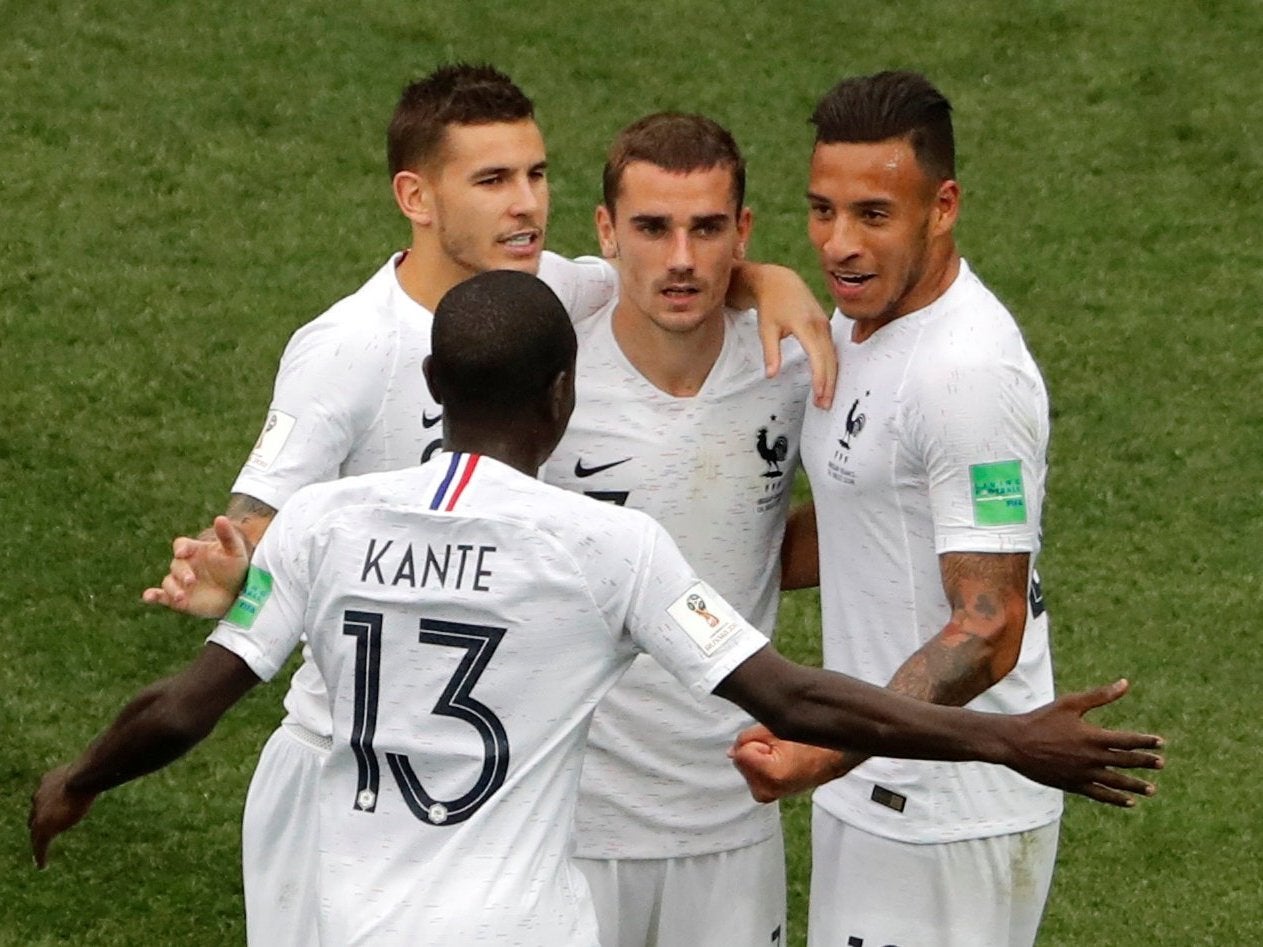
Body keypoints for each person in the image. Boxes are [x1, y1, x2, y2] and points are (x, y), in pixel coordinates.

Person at [32, 269, 1163, 947]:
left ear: (432, 391)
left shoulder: (324, 525)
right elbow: (799, 693)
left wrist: (76, 778)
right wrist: (1007, 736)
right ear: (564, 395)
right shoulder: (606, 548)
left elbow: (186, 704)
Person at [136, 66, 833, 946]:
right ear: (416, 197)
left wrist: (768, 278)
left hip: (487, 760)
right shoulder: (347, 349)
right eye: (494, 181)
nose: (526, 206)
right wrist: (233, 566)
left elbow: (672, 267)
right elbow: (254, 518)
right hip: (346, 761)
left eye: (537, 175)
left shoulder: (553, 290)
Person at [731, 71, 1090, 946]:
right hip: (880, 781)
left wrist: (826, 744)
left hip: (943, 807)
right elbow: (865, 522)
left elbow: (989, 624)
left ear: (942, 207)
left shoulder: (967, 375)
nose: (838, 245)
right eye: (821, 211)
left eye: (872, 216)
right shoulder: (861, 323)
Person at [540, 113, 812, 947]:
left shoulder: (795, 365)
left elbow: (855, 517)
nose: (683, 259)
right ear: (605, 232)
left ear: (743, 233)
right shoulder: (547, 373)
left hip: (731, 814)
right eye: (652, 228)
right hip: (573, 823)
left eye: (707, 229)